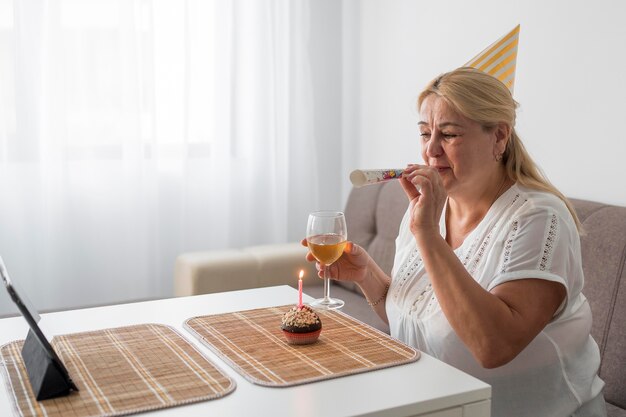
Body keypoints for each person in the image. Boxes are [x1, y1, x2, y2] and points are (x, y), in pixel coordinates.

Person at [303, 66, 606, 416]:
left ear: (499, 138)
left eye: (448, 134)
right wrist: (366, 276)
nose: (431, 150)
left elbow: (492, 346)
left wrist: (429, 236)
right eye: (424, 133)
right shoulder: (430, 206)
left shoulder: (538, 219)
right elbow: (419, 322)